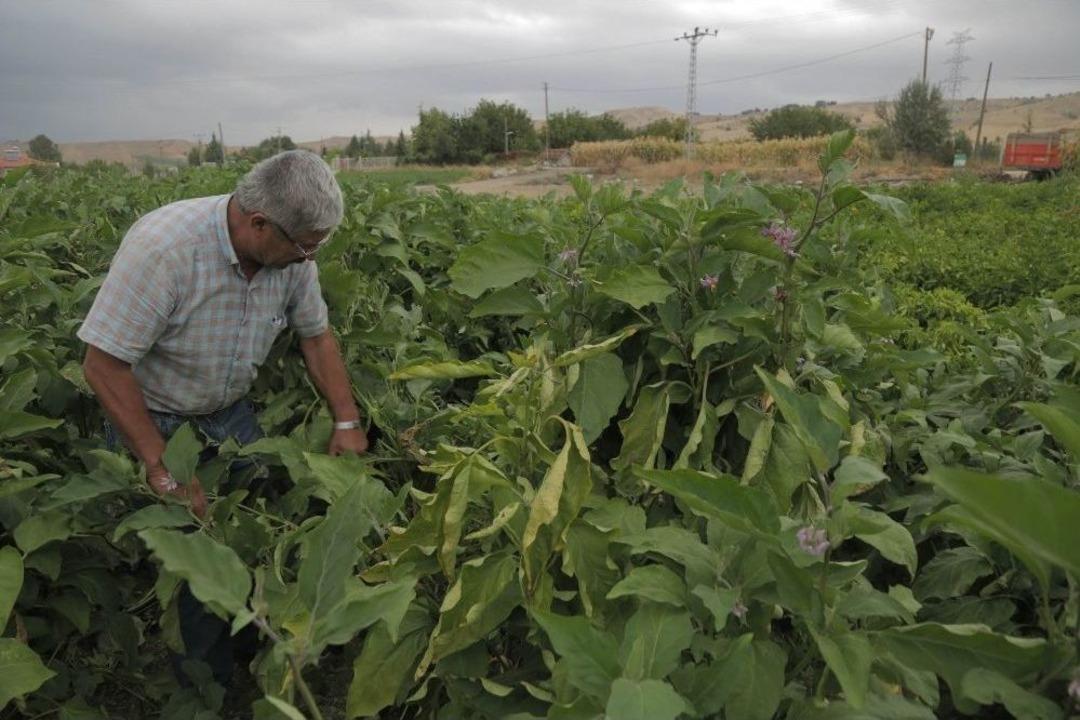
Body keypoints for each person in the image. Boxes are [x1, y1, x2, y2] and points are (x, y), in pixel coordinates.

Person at [78, 149, 368, 685]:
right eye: (304, 246)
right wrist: (162, 468)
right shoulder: (165, 249)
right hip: (155, 418)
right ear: (259, 224)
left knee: (250, 531)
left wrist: (346, 420)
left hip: (230, 415)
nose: (310, 258)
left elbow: (316, 334)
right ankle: (206, 687)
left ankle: (257, 646)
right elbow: (103, 365)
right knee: (195, 559)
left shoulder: (291, 254)